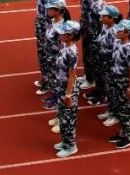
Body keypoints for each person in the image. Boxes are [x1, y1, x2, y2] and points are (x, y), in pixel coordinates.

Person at [104, 19, 130, 149]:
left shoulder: (129, 49)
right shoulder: (117, 42)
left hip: (123, 81)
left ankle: (128, 137)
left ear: (127, 33)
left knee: (126, 110)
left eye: (120, 30)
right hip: (114, 79)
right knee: (117, 107)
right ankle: (123, 132)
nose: (117, 31)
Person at [52, 21, 81, 158]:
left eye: (64, 33)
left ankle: (71, 146)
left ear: (71, 36)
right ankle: (65, 141)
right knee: (63, 117)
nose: (61, 34)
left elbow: (72, 75)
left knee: (68, 119)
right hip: (60, 87)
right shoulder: (64, 46)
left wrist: (68, 95)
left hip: (67, 90)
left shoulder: (72, 52)